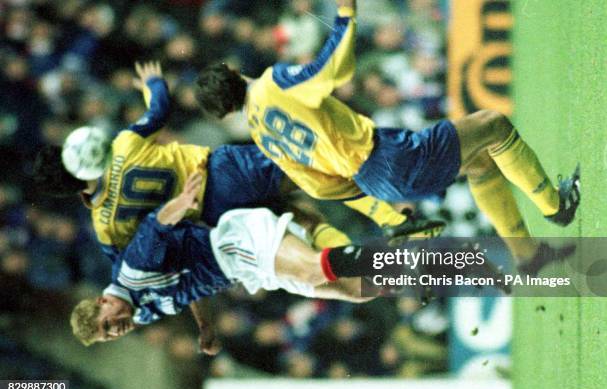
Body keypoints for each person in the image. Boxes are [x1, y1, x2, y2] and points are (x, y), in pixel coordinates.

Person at [194, 0, 580, 274]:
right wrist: (346, 14)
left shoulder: (262, 136)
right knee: (493, 125)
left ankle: (528, 256)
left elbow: (320, 188)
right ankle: (556, 206)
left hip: (375, 178)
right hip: (387, 156)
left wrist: (382, 211)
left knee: (480, 161)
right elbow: (330, 71)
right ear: (231, 70)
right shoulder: (271, 84)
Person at [33, 61, 443, 265]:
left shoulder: (104, 225)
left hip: (214, 218)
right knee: (313, 172)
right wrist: (152, 83)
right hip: (224, 171)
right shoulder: (123, 146)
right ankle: (399, 224)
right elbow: (159, 109)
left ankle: (367, 266)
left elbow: (130, 264)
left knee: (303, 221)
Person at [70, 171, 378, 353]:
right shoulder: (143, 314)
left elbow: (155, 226)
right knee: (357, 292)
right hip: (246, 270)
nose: (115, 331)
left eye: (107, 325)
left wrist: (181, 203)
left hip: (233, 245)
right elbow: (182, 291)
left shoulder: (133, 273)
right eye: (107, 336)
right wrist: (204, 325)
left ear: (103, 301)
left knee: (313, 270)